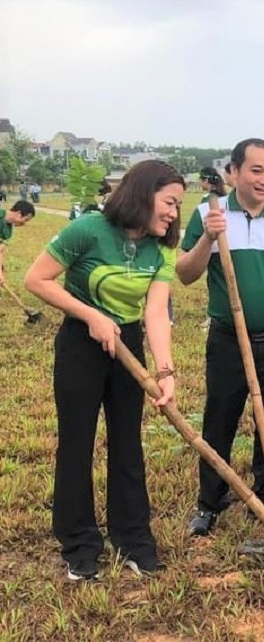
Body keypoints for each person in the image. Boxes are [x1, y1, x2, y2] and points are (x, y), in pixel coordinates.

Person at [23, 160, 183, 581]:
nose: (173, 213)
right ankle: (79, 543)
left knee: (128, 442)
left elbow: (155, 312)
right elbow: (37, 279)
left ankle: (132, 537)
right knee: (76, 442)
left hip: (127, 345)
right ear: (143, 193)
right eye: (169, 202)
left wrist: (165, 372)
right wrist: (90, 315)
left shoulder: (163, 247)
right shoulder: (89, 229)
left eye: (178, 206)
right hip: (82, 343)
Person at [177, 138, 264, 537]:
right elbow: (186, 274)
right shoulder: (209, 213)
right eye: (256, 170)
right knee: (220, 416)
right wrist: (208, 236)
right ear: (233, 172)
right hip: (228, 340)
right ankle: (211, 499)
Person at [0, 200, 36, 284]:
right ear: (19, 213)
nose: (24, 223)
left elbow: (0, 251)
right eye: (25, 219)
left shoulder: (8, 231)